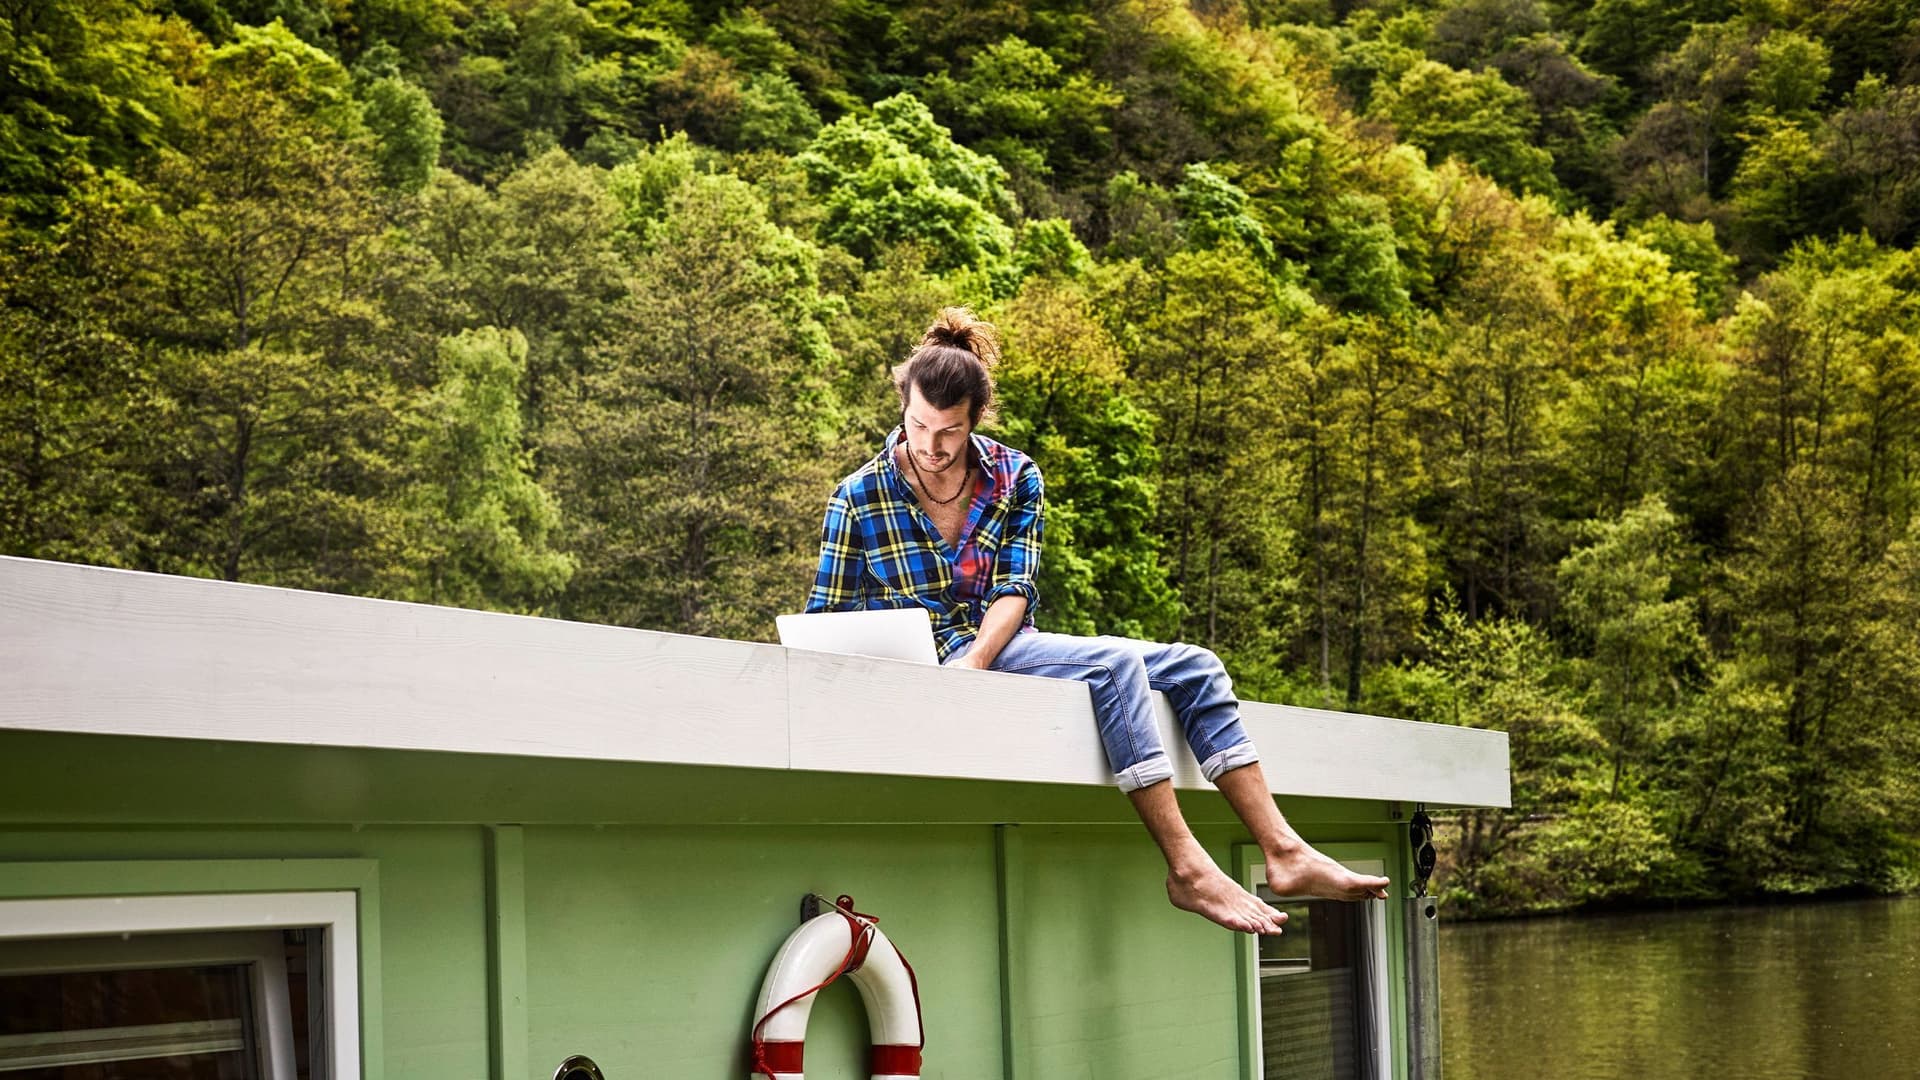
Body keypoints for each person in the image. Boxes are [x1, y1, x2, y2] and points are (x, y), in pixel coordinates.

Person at [805, 307, 1389, 934]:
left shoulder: (1015, 476)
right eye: (918, 424)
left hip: (995, 647)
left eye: (949, 430)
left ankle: (1285, 850)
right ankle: (1187, 867)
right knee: (1114, 667)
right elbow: (823, 617)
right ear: (903, 404)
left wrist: (976, 661)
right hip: (927, 662)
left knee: (1198, 667)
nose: (931, 445)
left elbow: (1015, 589)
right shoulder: (857, 495)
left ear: (976, 419)